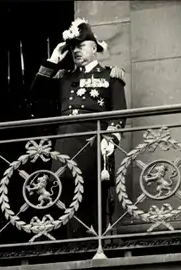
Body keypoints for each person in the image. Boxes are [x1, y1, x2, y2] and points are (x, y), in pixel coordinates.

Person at [30, 18, 127, 239]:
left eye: (81, 45)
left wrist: (110, 142)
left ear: (95, 48)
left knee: (95, 207)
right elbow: (35, 96)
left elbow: (119, 113)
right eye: (73, 47)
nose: (76, 50)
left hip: (94, 149)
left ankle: (98, 253)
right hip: (65, 149)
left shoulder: (110, 76)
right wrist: (54, 59)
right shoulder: (64, 77)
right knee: (67, 208)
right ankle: (75, 252)